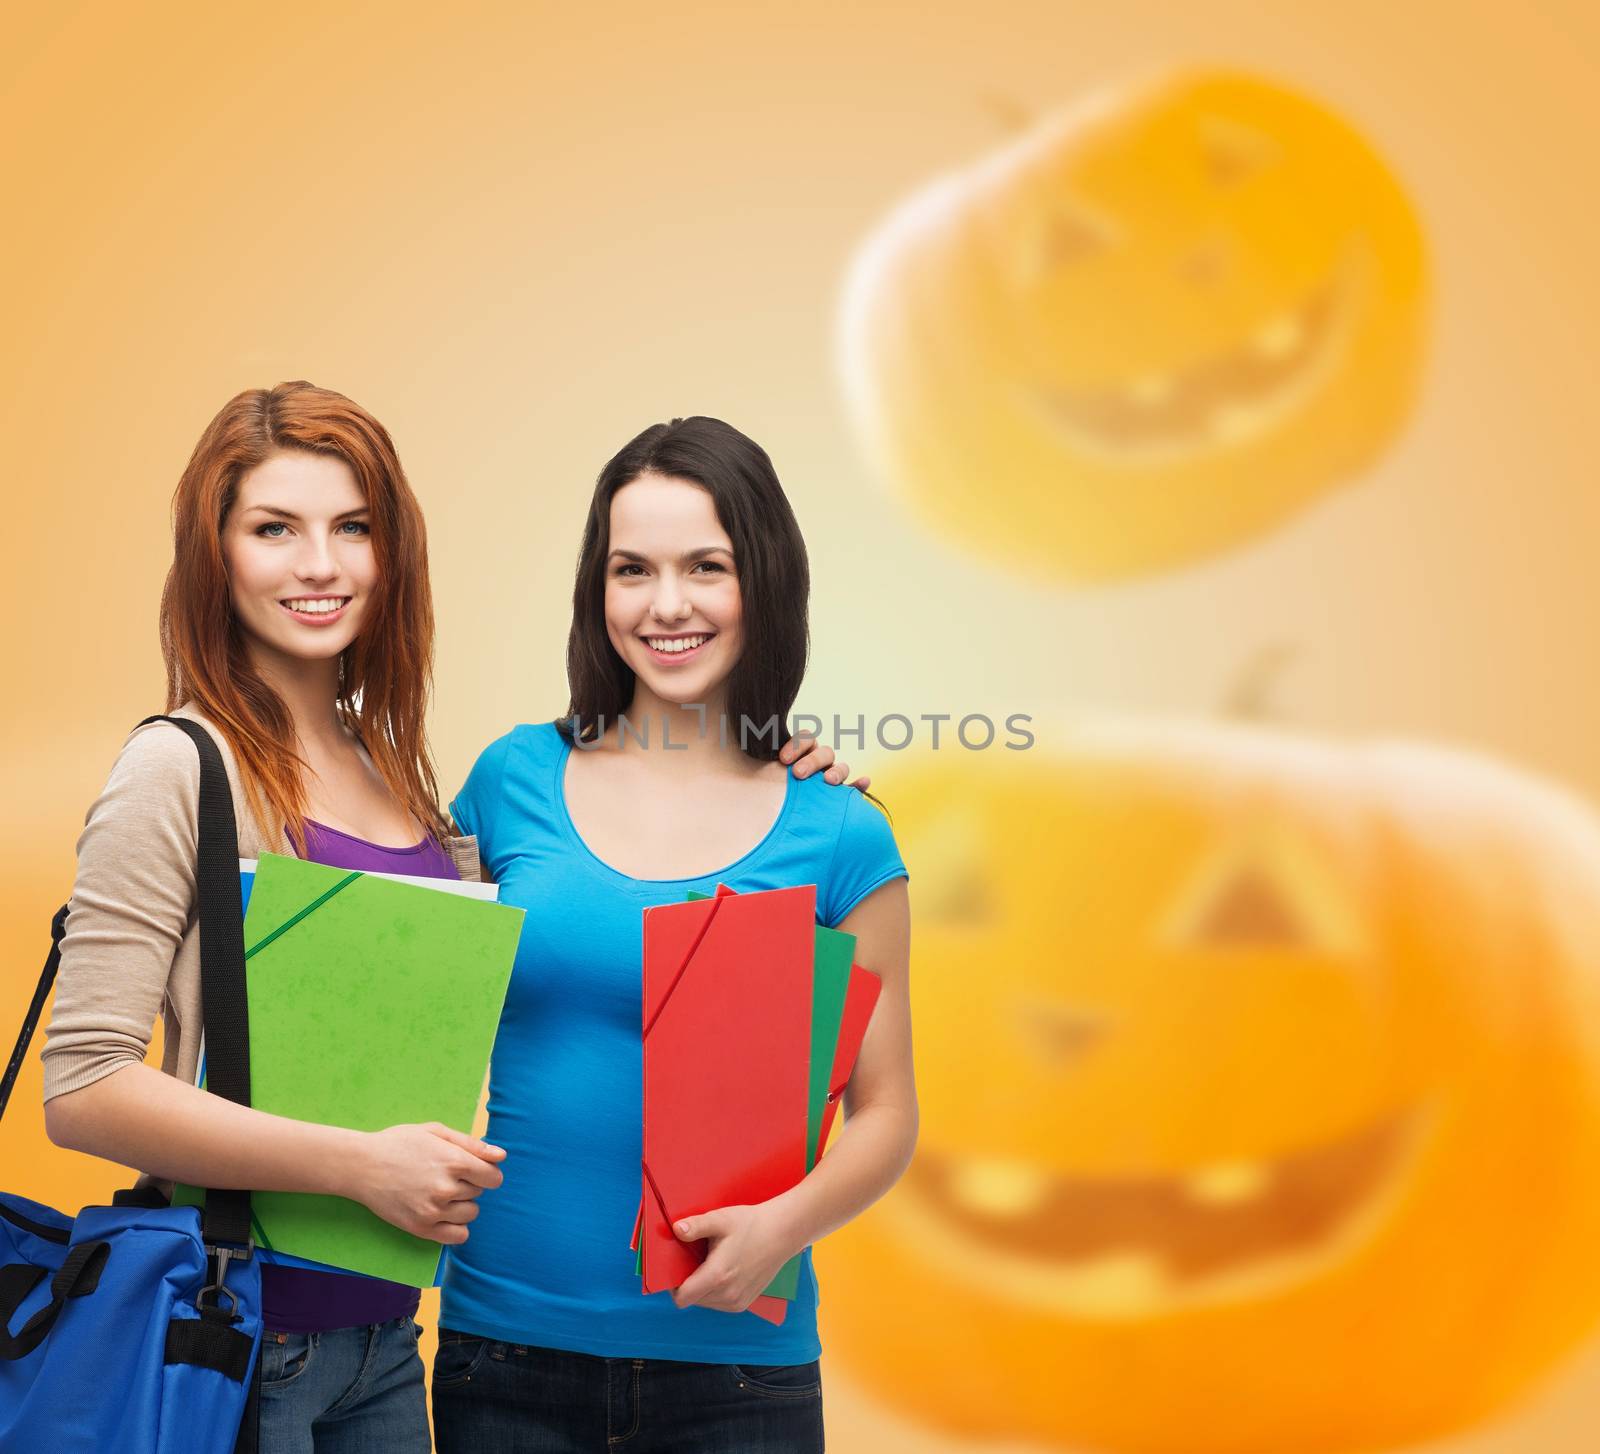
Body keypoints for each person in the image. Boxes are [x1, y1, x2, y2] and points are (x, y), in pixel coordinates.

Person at [39, 384, 856, 1453]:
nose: (319, 565)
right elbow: (84, 1084)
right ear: (215, 556)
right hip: (238, 1334)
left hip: (387, 1346)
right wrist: (358, 1165)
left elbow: (545, 924)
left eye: (353, 528)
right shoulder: (179, 766)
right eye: (273, 529)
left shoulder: (400, 775)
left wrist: (782, 770)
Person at [433, 416, 918, 1453]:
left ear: (766, 581)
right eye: (630, 568)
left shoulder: (839, 831)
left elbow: (886, 1115)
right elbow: (403, 1001)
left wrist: (780, 1229)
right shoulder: (508, 782)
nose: (666, 604)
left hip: (738, 1369)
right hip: (500, 1354)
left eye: (707, 565)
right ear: (594, 590)